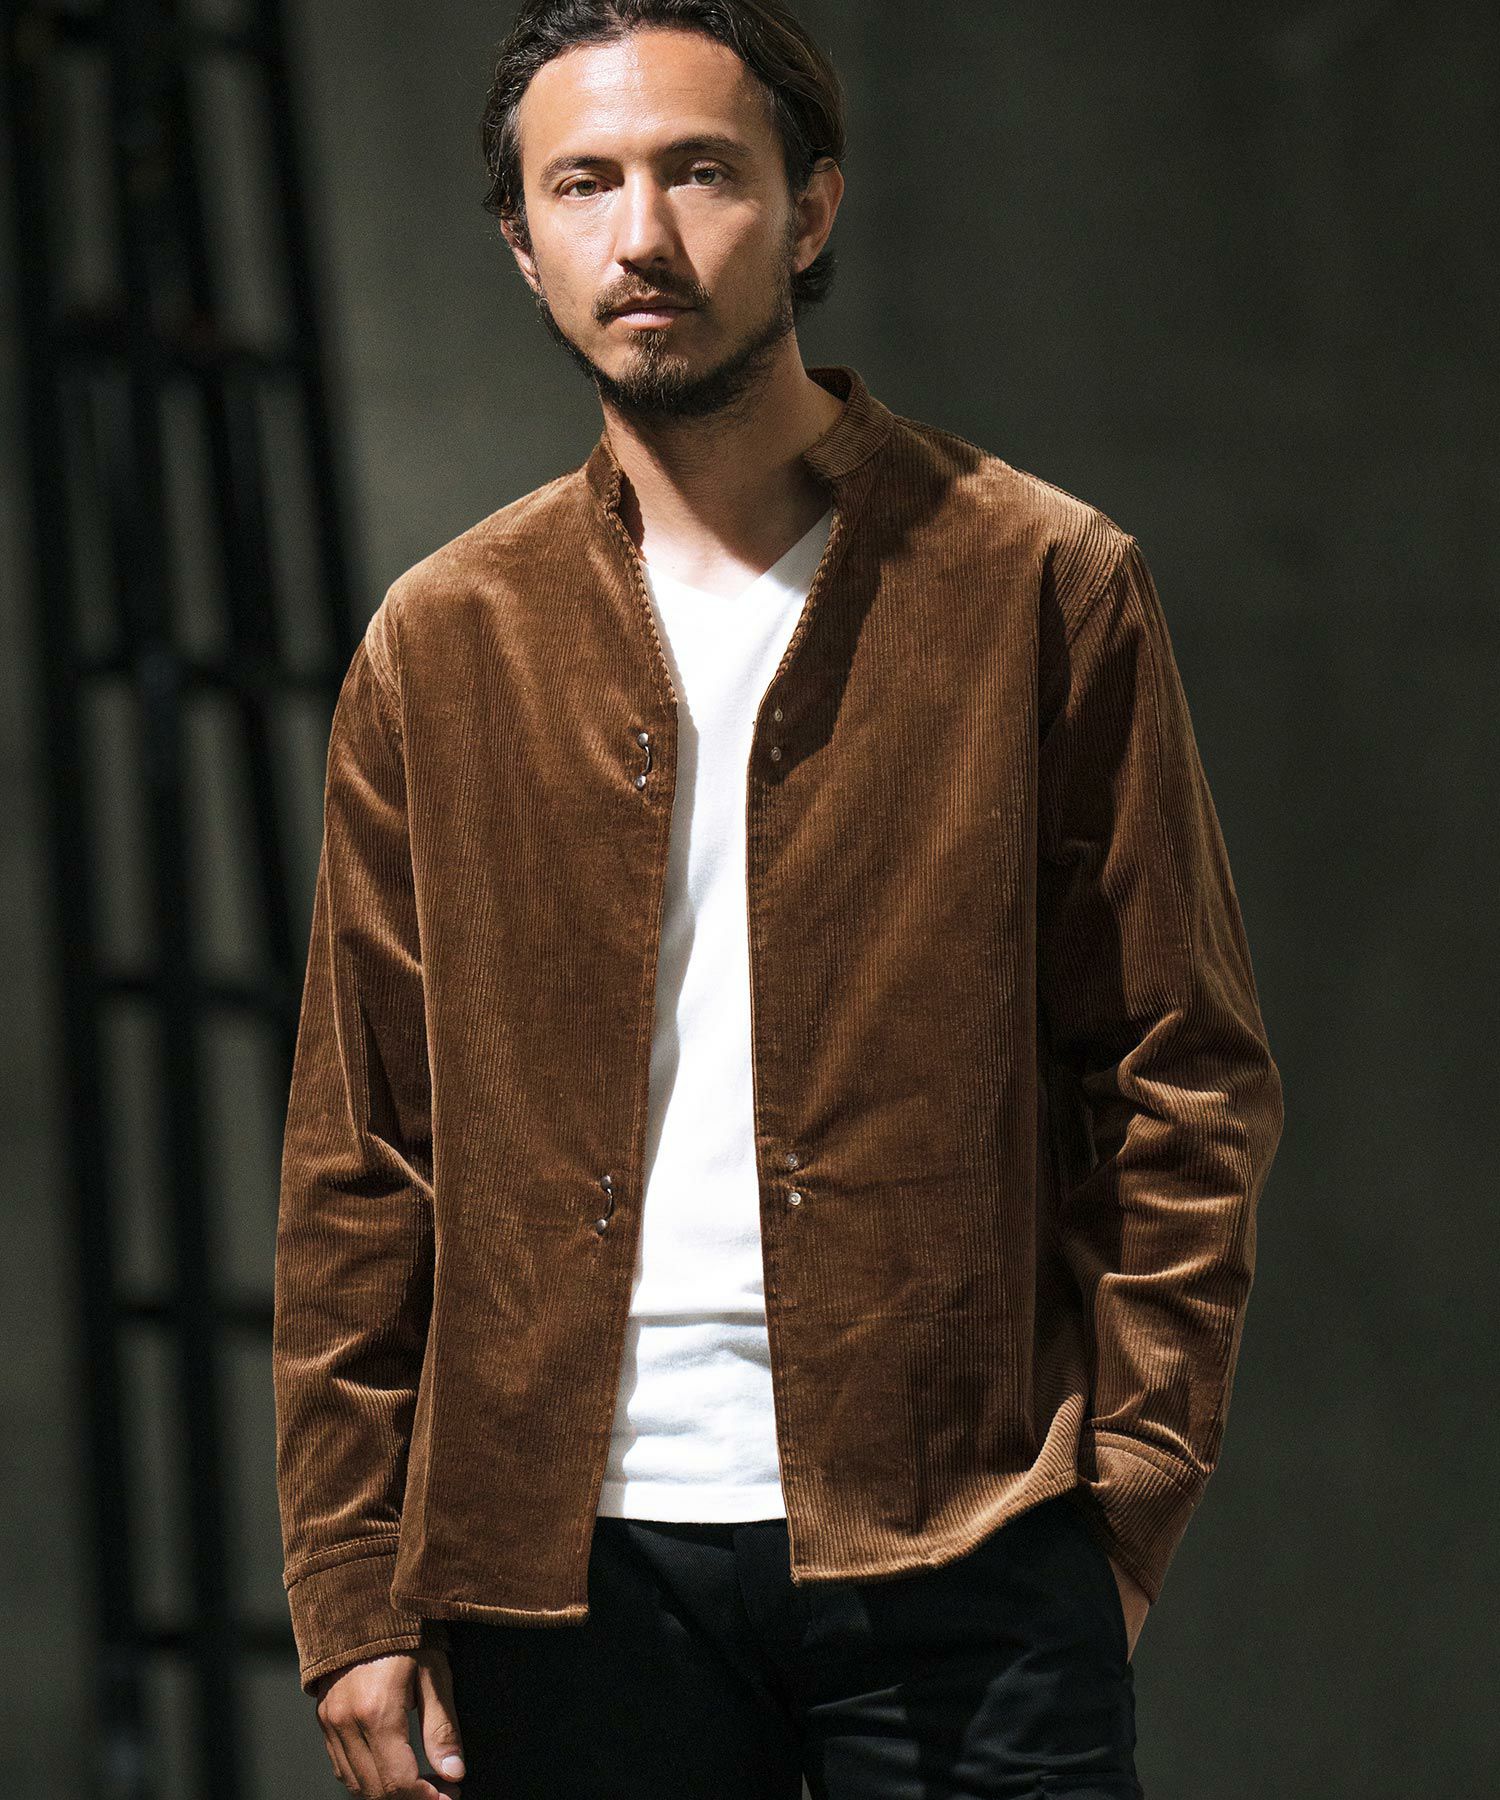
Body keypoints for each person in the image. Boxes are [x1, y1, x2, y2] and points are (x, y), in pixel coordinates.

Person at [272, 3, 1285, 1796]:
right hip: (560, 1569)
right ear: (521, 243)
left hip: (965, 1535)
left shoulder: (1039, 584)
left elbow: (1180, 1074)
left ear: (810, 208)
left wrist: (1123, 1501)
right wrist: (350, 1584)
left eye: (701, 173)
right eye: (583, 185)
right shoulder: (445, 643)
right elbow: (365, 1152)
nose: (641, 236)